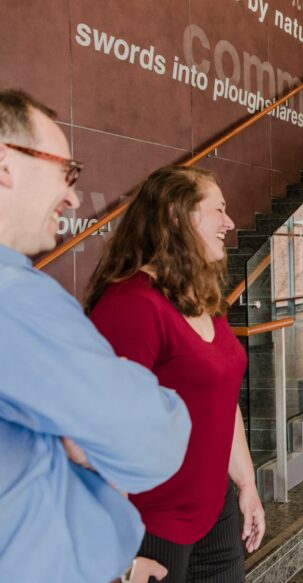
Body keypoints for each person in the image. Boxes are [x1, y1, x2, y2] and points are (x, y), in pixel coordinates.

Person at [0, 89, 191, 581]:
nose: (73, 195)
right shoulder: (15, 298)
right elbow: (151, 438)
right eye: (67, 171)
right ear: (5, 163)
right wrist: (142, 401)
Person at [85, 165, 265, 582]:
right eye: (217, 210)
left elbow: (223, 401)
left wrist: (246, 483)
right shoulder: (132, 305)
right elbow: (104, 432)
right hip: (153, 523)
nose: (230, 222)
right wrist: (119, 551)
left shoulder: (203, 299)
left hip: (214, 511)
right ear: (175, 215)